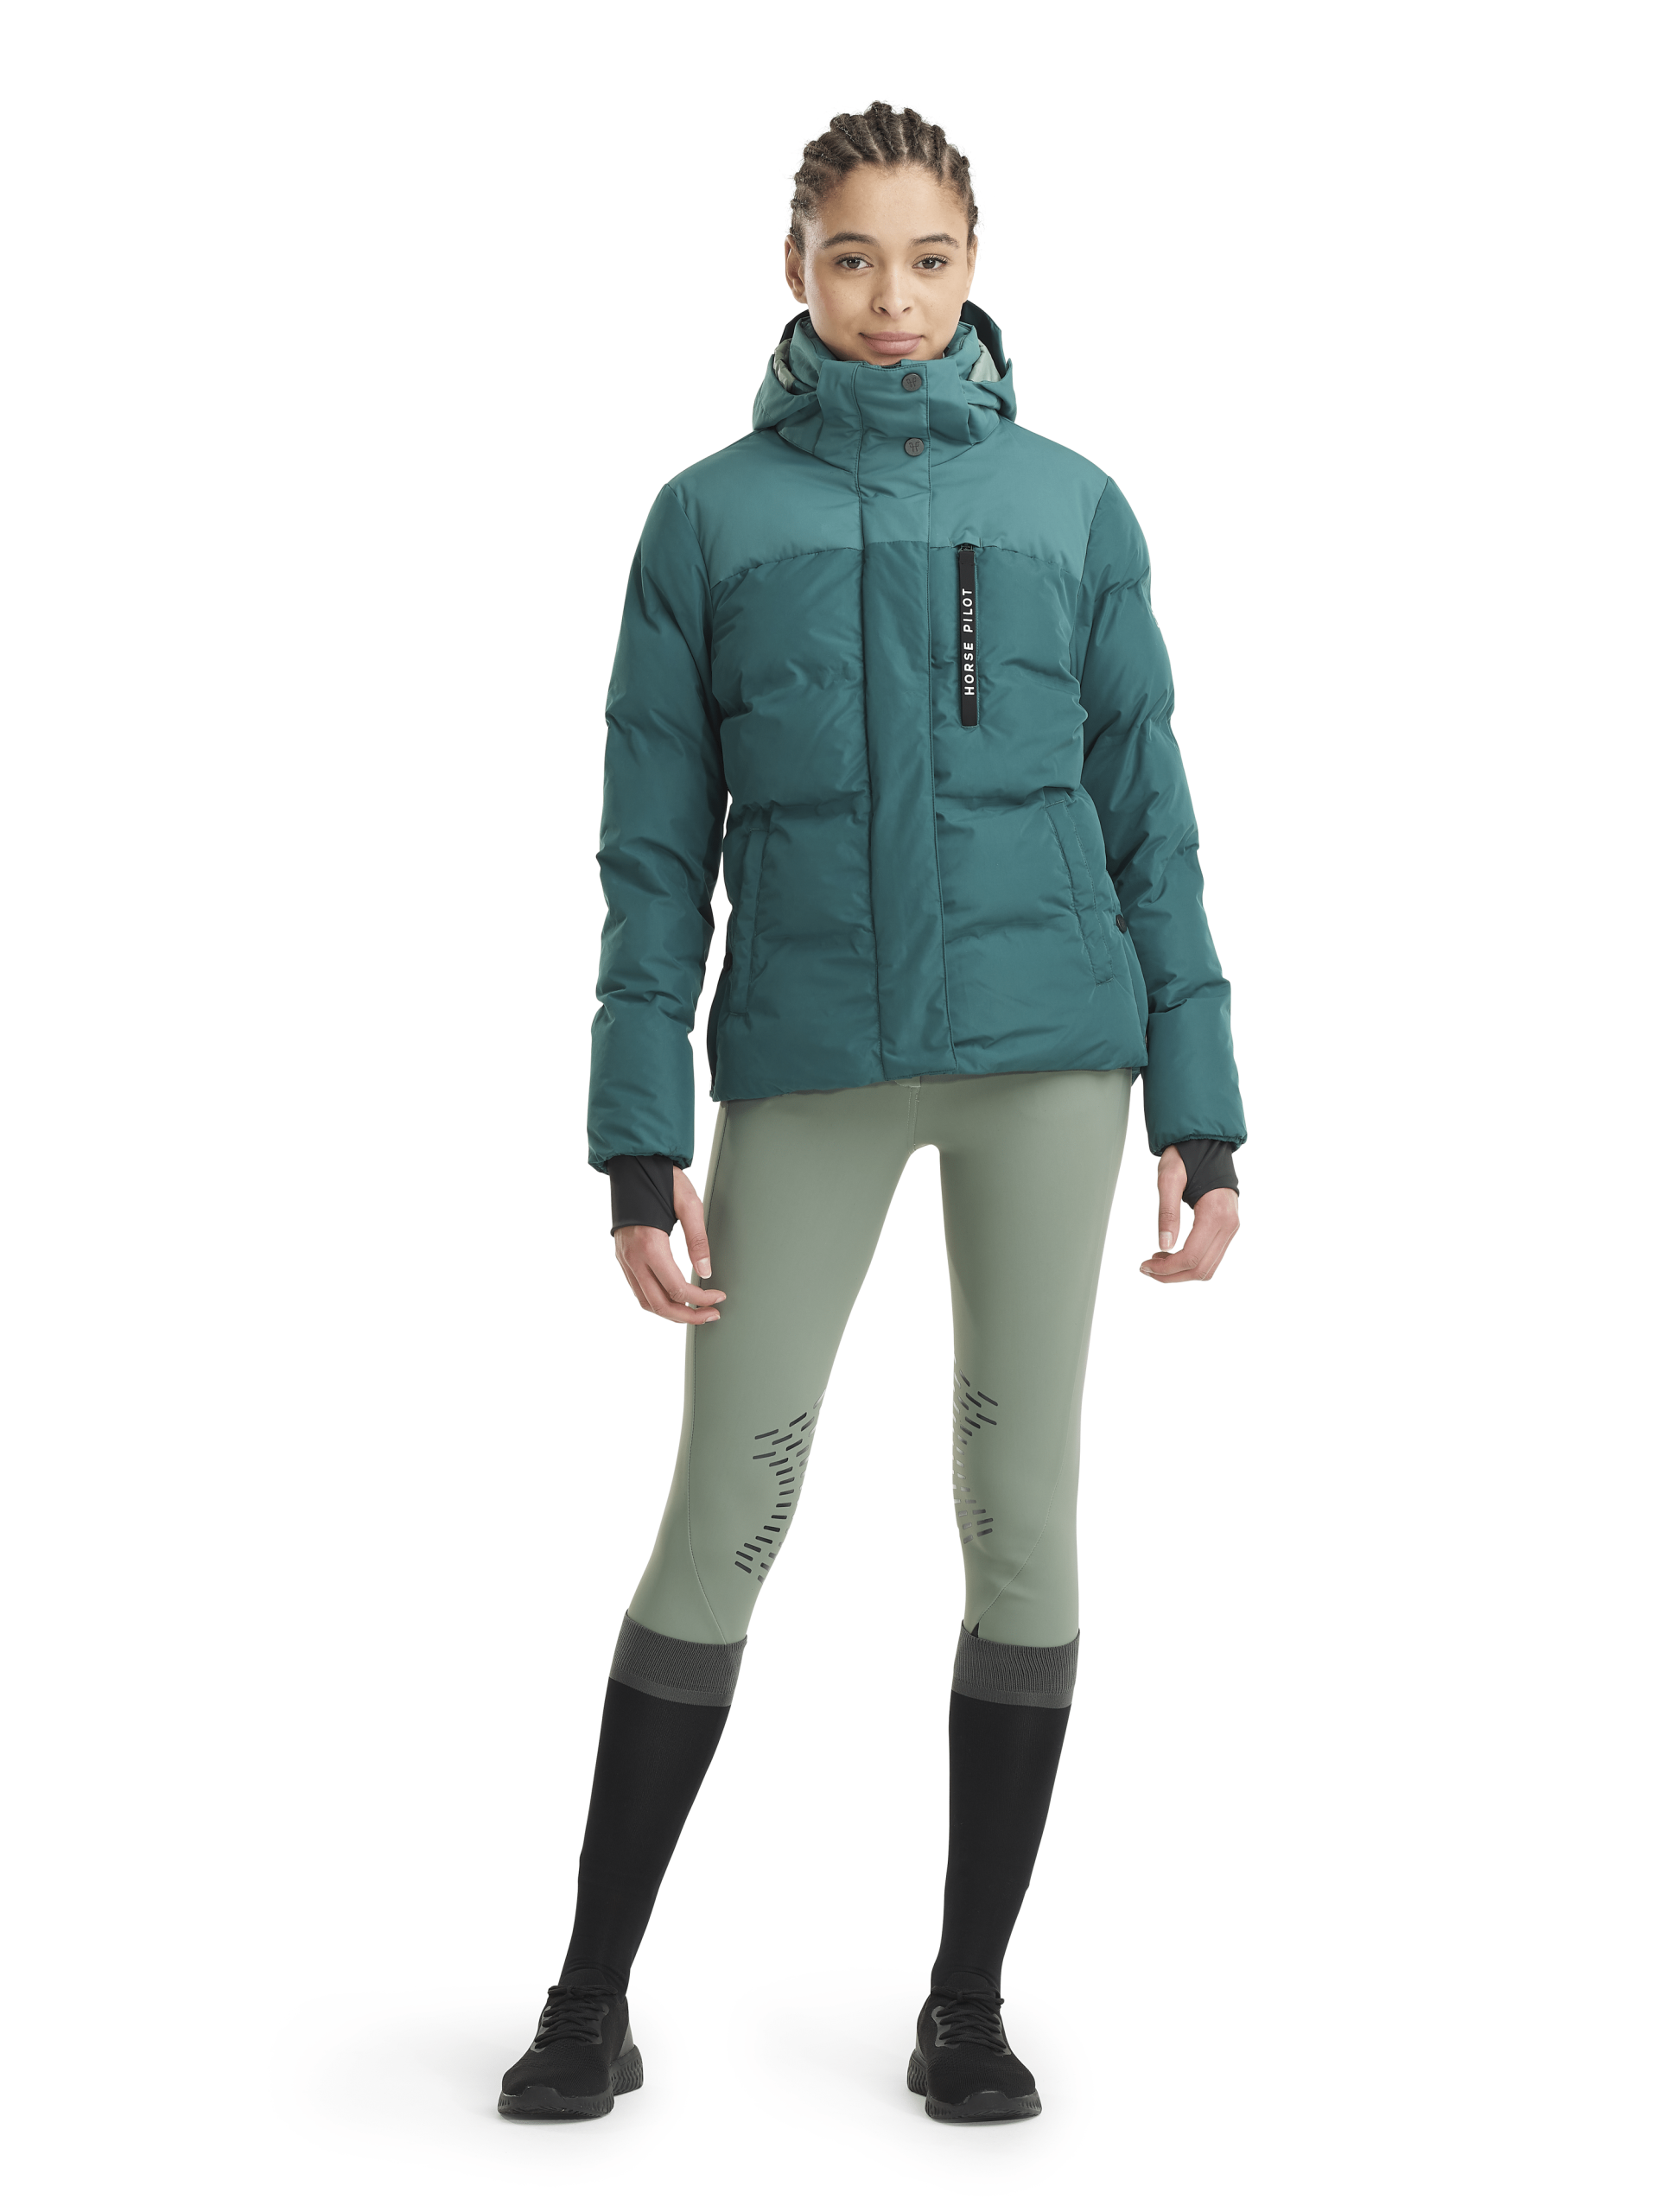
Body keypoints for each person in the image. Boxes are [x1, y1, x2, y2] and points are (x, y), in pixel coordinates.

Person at [499, 100, 1244, 2126]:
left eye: (926, 259)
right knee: (725, 1505)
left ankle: (966, 2002)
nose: (891, 299)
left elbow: (1152, 820)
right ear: (796, 269)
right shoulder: (707, 520)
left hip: (1054, 1065)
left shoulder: (1074, 508)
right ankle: (587, 1993)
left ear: (974, 266)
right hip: (809, 1059)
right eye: (851, 258)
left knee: (1022, 1513)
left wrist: (1202, 1106)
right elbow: (653, 849)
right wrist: (636, 1133)